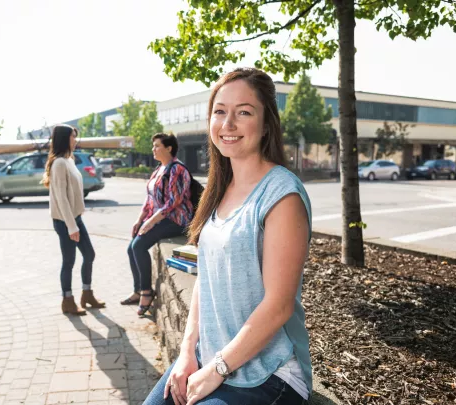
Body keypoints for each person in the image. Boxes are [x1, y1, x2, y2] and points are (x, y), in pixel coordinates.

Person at [143, 67, 313, 405]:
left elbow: (278, 307)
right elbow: (205, 280)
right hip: (212, 355)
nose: (228, 123)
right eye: (220, 112)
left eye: (244, 112)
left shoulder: (283, 196)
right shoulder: (219, 190)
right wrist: (187, 351)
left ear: (266, 125)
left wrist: (217, 369)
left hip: (270, 372)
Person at [122, 133, 194, 316]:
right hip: (160, 217)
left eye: (157, 146)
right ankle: (138, 290)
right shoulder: (159, 170)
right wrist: (140, 220)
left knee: (138, 246)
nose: (153, 149)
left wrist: (150, 222)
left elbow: (174, 202)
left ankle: (147, 292)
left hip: (177, 220)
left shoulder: (178, 169)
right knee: (131, 248)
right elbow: (149, 199)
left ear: (169, 148)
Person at [43, 124, 105, 316]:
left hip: (74, 218)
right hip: (64, 221)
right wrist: (71, 226)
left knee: (89, 254)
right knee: (69, 261)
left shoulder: (69, 159)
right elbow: (61, 197)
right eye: (72, 136)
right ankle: (67, 300)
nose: (75, 140)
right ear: (64, 138)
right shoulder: (59, 163)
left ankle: (86, 294)